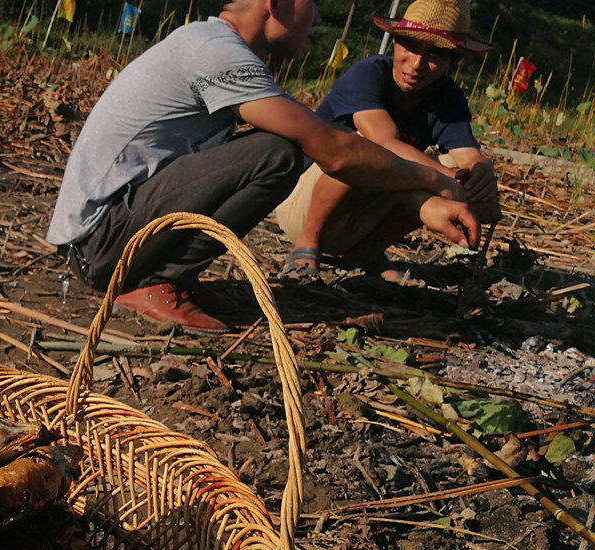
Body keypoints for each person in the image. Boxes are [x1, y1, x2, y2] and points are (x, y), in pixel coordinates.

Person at [47, 0, 480, 333]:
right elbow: (335, 151)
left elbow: (318, 132)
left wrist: (433, 190)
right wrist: (436, 182)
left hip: (109, 237)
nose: (316, 20)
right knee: (277, 152)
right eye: (310, 6)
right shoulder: (214, 51)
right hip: (100, 244)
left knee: (276, 145)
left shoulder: (217, 46)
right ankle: (157, 281)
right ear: (276, 4)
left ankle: (158, 276)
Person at [274, 0, 500, 282]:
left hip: (362, 215)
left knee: (453, 169)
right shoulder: (369, 74)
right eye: (410, 47)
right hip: (302, 205)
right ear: (394, 43)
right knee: (362, 148)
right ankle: (306, 245)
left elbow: (467, 156)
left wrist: (481, 173)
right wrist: (444, 181)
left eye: (435, 55)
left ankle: (367, 252)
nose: (417, 64)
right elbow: (382, 141)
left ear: (454, 61)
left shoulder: (447, 97)